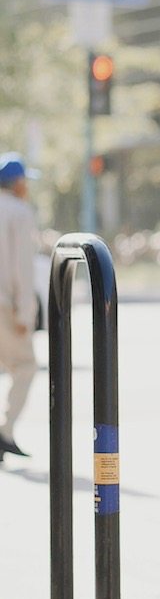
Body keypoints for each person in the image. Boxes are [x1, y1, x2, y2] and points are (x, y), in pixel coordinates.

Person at [0, 152, 39, 461]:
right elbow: (22, 270)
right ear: (16, 182)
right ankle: (6, 431)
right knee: (25, 366)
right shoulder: (18, 211)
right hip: (6, 303)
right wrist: (25, 313)